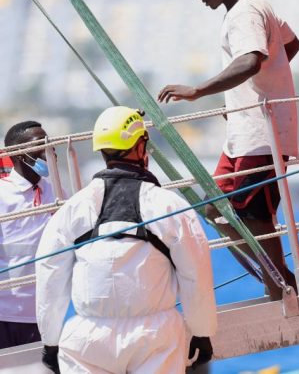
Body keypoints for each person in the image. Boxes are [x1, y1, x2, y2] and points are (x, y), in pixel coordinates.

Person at [158, 0, 299, 301]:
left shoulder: (244, 14)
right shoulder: (255, 6)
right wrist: (247, 93)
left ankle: (280, 284)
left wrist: (198, 90)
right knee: (215, 209)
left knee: (254, 212)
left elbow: (252, 60)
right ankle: (278, 277)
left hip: (260, 134)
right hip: (244, 133)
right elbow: (288, 46)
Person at [35, 107, 216, 373]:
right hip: (155, 338)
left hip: (88, 339)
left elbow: (50, 274)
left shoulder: (74, 208)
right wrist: (202, 332)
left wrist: (50, 342)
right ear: (140, 146)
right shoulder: (168, 205)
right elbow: (196, 273)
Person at [0, 121, 55, 349]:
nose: (48, 150)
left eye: (48, 143)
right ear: (20, 155)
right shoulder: (3, 195)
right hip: (6, 316)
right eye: (39, 145)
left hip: (45, 313)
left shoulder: (56, 190)